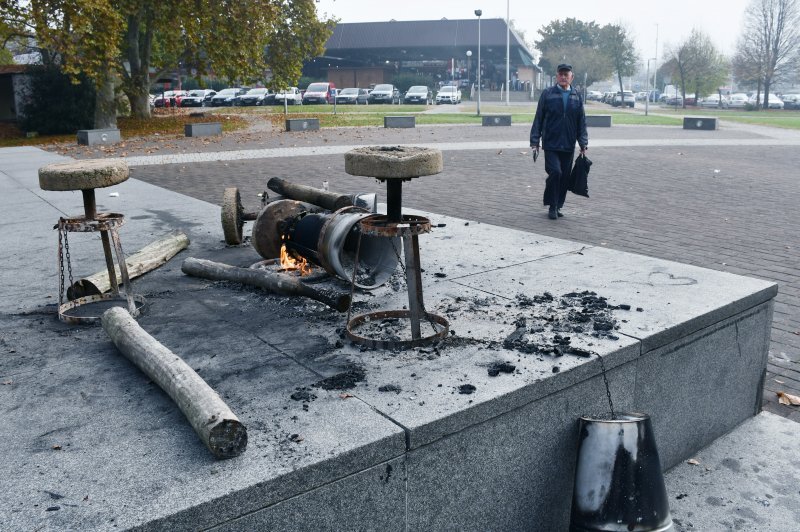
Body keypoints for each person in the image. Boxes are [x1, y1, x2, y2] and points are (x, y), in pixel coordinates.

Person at [530, 63, 588, 220]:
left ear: (571, 77)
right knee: (555, 172)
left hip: (568, 144)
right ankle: (552, 205)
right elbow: (539, 118)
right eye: (561, 74)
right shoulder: (548, 94)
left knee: (564, 177)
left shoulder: (576, 96)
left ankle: (558, 205)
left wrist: (583, 143)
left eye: (566, 74)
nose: (563, 77)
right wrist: (535, 141)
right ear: (557, 76)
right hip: (551, 143)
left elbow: (581, 121)